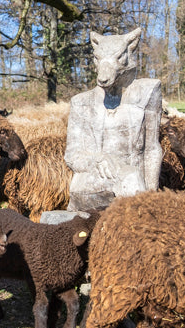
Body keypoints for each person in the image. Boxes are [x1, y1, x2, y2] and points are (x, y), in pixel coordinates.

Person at [65, 28, 162, 212]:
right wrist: (96, 160)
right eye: (99, 59)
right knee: (129, 180)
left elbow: (151, 149)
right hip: (94, 181)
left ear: (128, 53)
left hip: (135, 184)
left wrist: (152, 198)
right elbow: (72, 155)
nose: (104, 73)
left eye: (117, 58)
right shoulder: (81, 103)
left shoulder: (148, 91)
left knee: (132, 179)